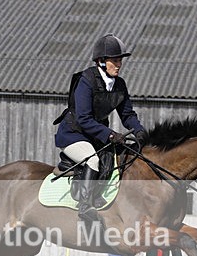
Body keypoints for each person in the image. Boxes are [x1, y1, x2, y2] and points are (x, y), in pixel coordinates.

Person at [54, 33, 147, 225]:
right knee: (93, 160)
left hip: (95, 137)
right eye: (115, 60)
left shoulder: (119, 85)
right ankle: (85, 205)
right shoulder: (86, 80)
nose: (119, 64)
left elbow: (127, 115)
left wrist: (139, 130)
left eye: (120, 60)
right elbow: (84, 118)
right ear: (102, 61)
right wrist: (111, 134)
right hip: (74, 134)